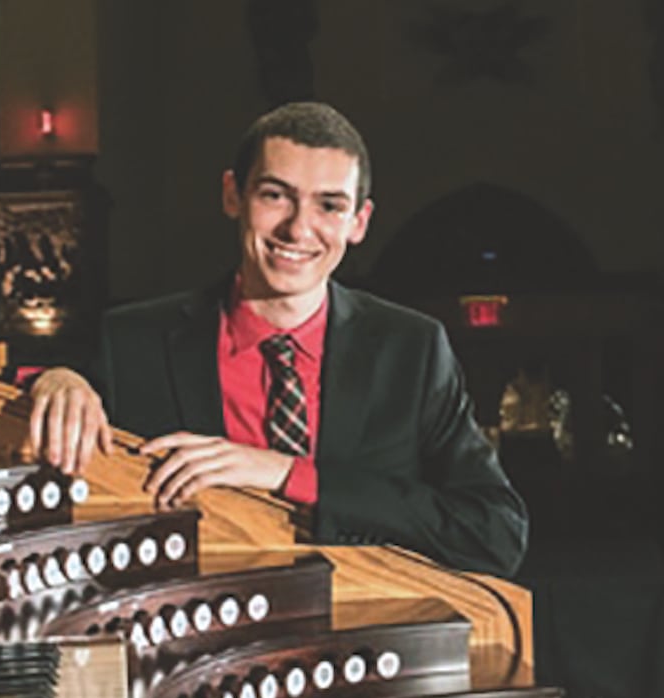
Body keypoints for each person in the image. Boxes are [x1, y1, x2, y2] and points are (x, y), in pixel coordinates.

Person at [27, 102, 528, 577]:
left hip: (367, 643)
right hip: (191, 648)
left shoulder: (412, 349)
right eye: (275, 195)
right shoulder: (134, 339)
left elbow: (495, 534)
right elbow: (30, 395)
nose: (298, 228)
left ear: (359, 222)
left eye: (329, 205)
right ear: (232, 195)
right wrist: (56, 379)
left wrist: (289, 474)